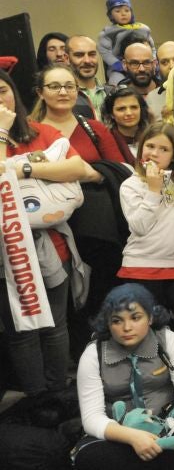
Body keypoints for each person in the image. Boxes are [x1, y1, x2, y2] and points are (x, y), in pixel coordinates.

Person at [72, 284, 174, 470]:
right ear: (108, 323)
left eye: (136, 318)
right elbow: (92, 418)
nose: (127, 327)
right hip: (121, 432)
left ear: (150, 317)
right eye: (117, 321)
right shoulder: (93, 354)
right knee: (89, 459)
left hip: (167, 423)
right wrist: (132, 437)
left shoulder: (167, 339)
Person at [0, 68, 92, 396]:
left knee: (55, 325)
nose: (0, 100)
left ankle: (58, 394)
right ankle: (37, 399)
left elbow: (78, 168)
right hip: (6, 255)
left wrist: (21, 167)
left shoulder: (41, 132)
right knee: (21, 332)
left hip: (51, 244)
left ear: (15, 94)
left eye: (2, 91)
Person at [118, 121, 174, 355]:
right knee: (148, 326)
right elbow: (139, 226)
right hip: (140, 265)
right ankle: (157, 375)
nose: (154, 154)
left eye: (164, 149)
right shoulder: (131, 185)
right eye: (150, 146)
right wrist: (154, 189)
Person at [30, 65, 125, 165]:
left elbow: (120, 171)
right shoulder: (28, 131)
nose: (63, 92)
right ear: (40, 93)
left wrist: (94, 175)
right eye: (54, 87)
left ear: (77, 91)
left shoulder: (96, 129)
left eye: (69, 87)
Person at [97, 0, 155, 82]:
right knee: (116, 80)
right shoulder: (108, 33)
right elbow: (104, 51)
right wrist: (116, 64)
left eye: (127, 10)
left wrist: (153, 60)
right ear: (110, 15)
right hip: (119, 66)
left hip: (144, 64)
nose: (123, 14)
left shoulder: (142, 29)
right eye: (118, 11)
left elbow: (152, 48)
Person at [101, 86, 151, 165]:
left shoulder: (153, 136)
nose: (129, 113)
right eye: (121, 109)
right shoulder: (105, 141)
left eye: (134, 107)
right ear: (111, 114)